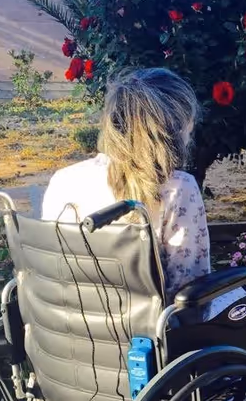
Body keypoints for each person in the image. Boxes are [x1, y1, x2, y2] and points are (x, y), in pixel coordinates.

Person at [41, 68, 210, 300]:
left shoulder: (64, 179)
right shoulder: (178, 188)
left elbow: (53, 268)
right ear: (175, 130)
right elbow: (190, 289)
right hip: (148, 329)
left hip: (67, 322)